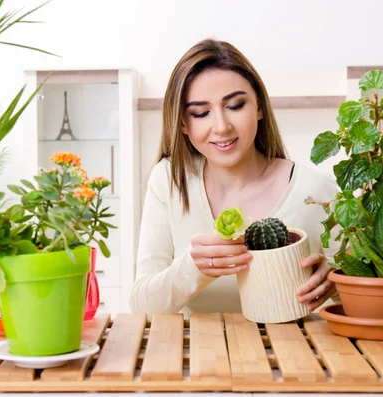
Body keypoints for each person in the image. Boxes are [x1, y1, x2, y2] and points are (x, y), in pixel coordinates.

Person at [130, 39, 339, 318]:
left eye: (236, 106)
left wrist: (339, 281)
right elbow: (142, 305)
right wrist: (194, 269)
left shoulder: (316, 190)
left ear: (259, 107)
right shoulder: (169, 180)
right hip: (201, 356)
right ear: (183, 123)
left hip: (300, 357)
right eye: (201, 113)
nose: (221, 127)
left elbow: (366, 285)